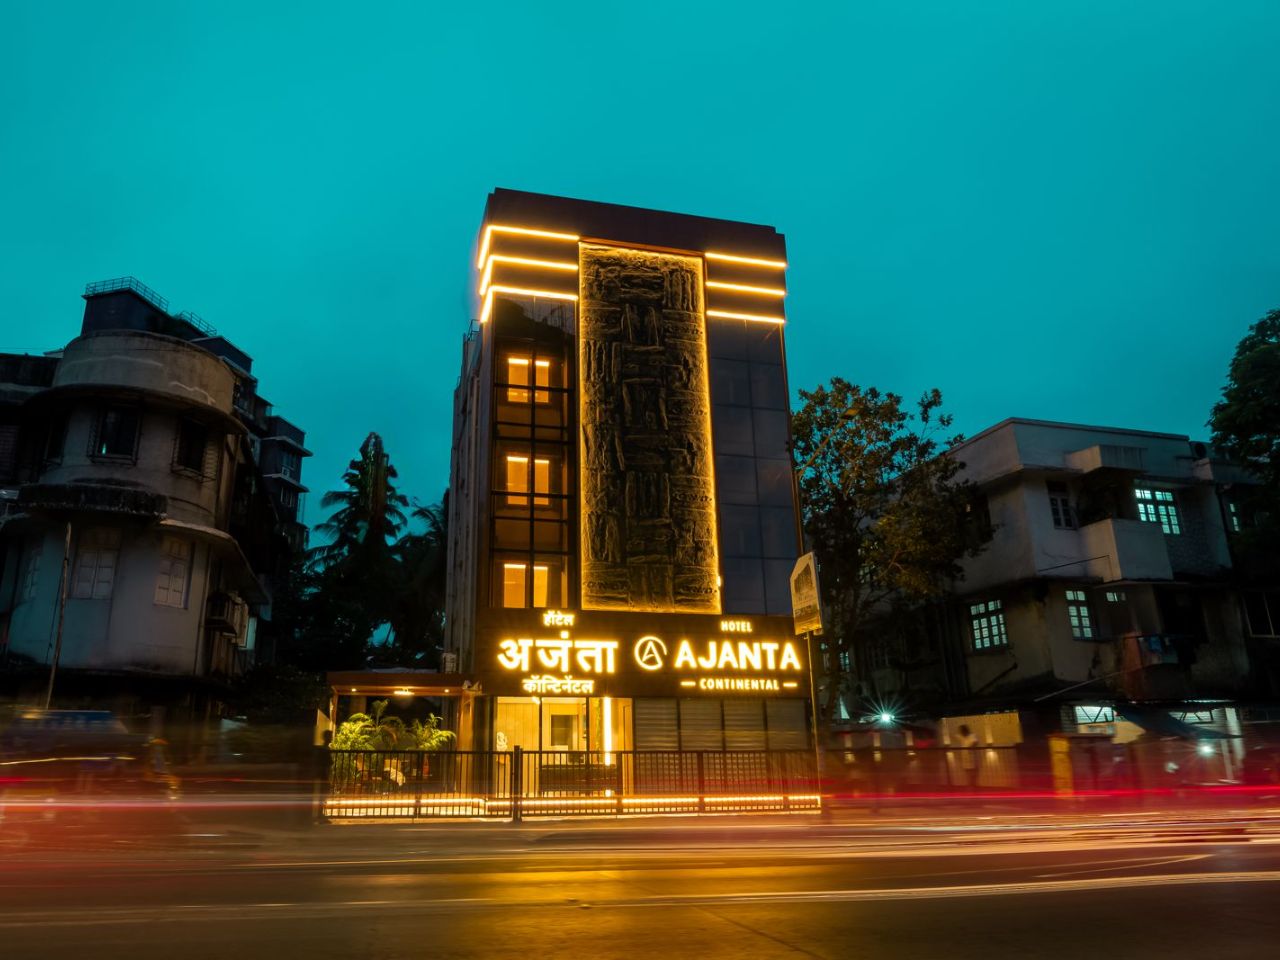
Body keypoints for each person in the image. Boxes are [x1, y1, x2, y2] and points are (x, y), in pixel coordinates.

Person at [955, 724, 980, 790]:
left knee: (973, 775)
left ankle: (973, 788)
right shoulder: (962, 737)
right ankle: (971, 787)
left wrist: (970, 746)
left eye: (962, 731)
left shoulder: (972, 736)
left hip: (972, 760)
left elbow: (975, 742)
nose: (961, 732)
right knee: (968, 775)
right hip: (965, 760)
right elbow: (955, 736)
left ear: (965, 730)